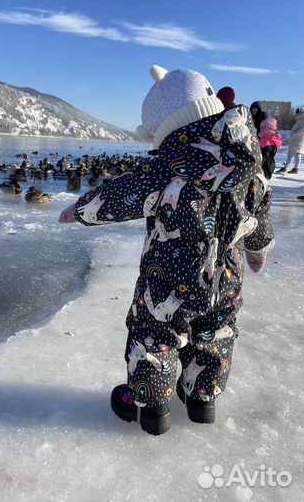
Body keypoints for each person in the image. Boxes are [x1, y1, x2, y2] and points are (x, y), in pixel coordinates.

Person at [59, 66, 274, 435]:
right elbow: (259, 210)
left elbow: (121, 194)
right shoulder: (250, 165)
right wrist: (257, 248)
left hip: (168, 279)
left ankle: (151, 406)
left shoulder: (166, 167)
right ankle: (201, 398)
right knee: (216, 332)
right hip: (226, 279)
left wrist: (80, 210)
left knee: (154, 333)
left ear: (164, 125)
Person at [276, 107, 304, 174]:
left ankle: (285, 168)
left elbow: (302, 129)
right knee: (297, 155)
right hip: (298, 140)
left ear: (300, 113)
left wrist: (293, 135)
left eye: (297, 113)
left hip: (297, 140)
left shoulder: (302, 119)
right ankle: (295, 169)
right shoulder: (300, 119)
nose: (296, 114)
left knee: (291, 155)